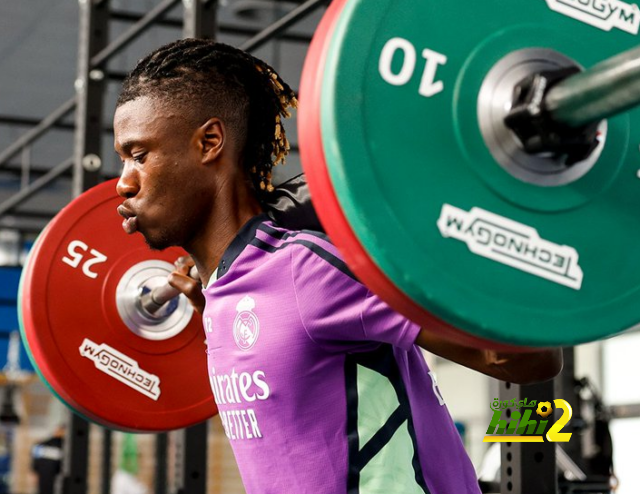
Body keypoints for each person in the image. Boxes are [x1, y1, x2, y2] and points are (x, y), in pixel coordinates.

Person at [114, 38, 562, 494]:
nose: (123, 183)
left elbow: (526, 360)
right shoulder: (222, 292)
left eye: (139, 155)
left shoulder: (308, 269)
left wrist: (499, 221)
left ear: (210, 142)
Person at [31, 425, 64, 494]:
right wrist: (34, 471)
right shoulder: (42, 444)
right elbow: (36, 458)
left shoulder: (64, 445)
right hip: (44, 474)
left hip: (56, 476)